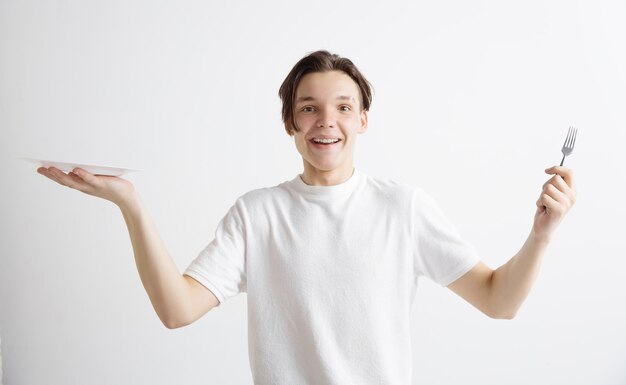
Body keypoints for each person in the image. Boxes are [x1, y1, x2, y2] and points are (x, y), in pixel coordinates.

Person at [37, 50, 577, 384]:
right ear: (290, 123)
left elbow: (498, 301)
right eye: (309, 107)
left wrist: (541, 235)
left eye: (343, 106)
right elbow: (177, 310)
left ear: (363, 120)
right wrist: (129, 202)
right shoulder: (258, 214)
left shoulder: (401, 207)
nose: (327, 121)